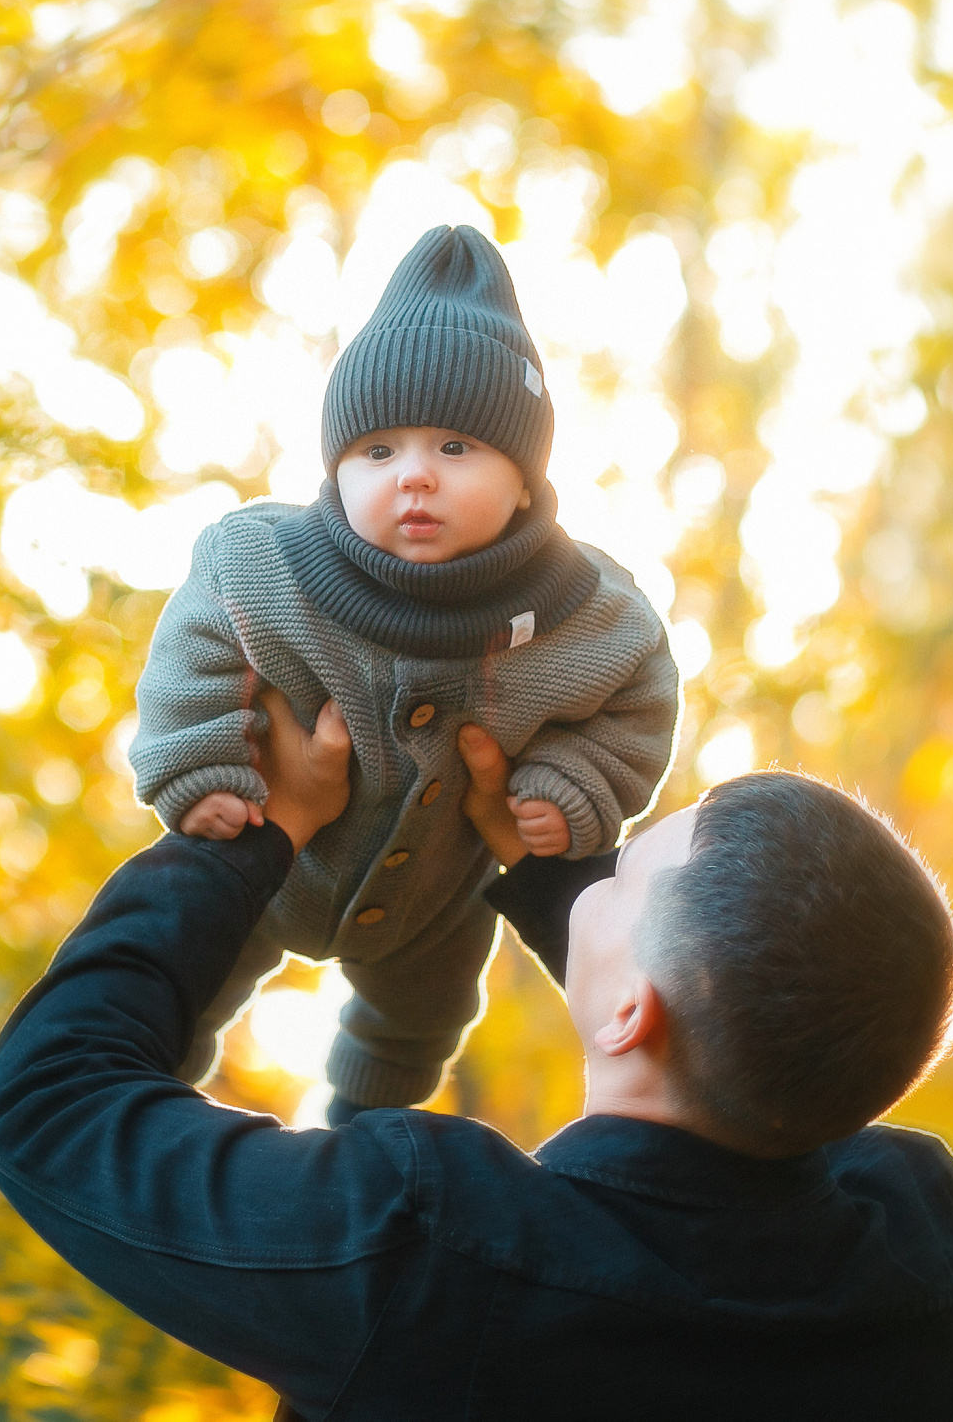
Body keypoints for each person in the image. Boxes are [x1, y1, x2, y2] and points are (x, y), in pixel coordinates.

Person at [0, 685, 953, 1419]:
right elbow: (761, 1030)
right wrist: (547, 872)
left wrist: (260, 829)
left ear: (632, 1013)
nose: (589, 881)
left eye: (616, 875)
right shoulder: (925, 1259)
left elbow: (46, 1104)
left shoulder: (426, 1251)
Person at [127, 222, 678, 1120]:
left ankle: (360, 1142)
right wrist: (197, 765)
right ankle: (142, 1108)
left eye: (455, 448)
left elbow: (639, 701)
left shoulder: (587, 611)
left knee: (419, 1022)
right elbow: (196, 641)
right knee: (183, 971)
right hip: (263, 854)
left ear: (526, 478)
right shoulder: (267, 563)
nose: (413, 477)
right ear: (337, 467)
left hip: (436, 896)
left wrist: (570, 786)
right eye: (378, 452)